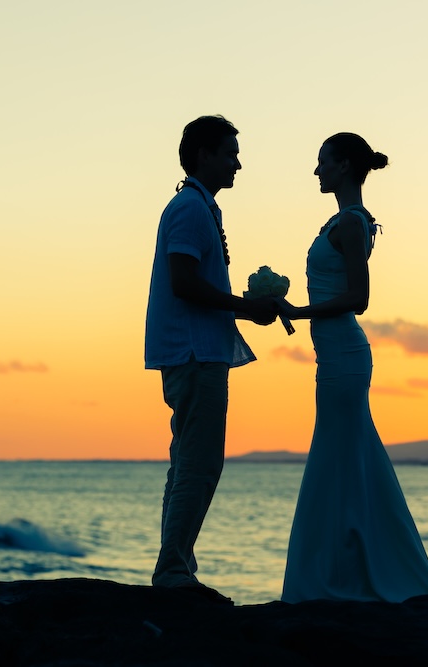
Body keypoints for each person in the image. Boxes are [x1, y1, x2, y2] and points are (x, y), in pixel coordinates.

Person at [278, 132, 428, 603]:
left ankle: (343, 574)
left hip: (346, 358)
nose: (316, 171)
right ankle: (348, 565)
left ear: (343, 167)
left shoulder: (352, 224)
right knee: (346, 460)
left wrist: (298, 312)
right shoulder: (344, 221)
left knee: (338, 457)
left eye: (322, 163)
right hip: (334, 356)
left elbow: (360, 298)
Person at [144, 115, 278, 605]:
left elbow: (199, 284)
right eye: (229, 153)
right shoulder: (190, 209)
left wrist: (244, 307)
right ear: (204, 154)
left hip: (197, 350)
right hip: (194, 353)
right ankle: (174, 570)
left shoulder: (200, 208)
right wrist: (243, 306)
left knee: (187, 463)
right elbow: (183, 282)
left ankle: (175, 564)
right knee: (199, 465)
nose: (238, 163)